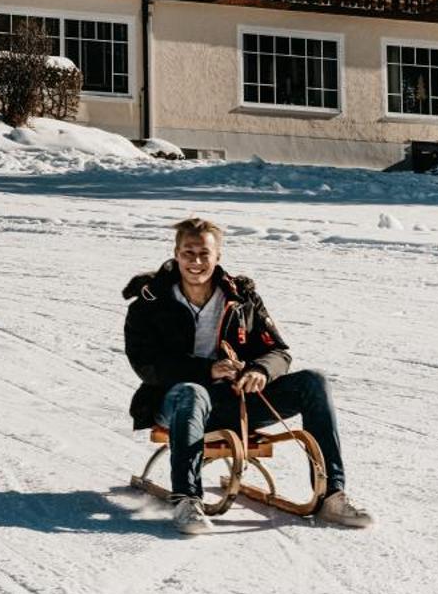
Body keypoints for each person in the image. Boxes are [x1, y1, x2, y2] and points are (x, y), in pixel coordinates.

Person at [123, 216, 373, 535]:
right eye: (188, 253)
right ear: (176, 253)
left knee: (314, 381)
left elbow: (278, 351)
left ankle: (332, 495)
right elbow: (146, 364)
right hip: (176, 402)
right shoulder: (150, 302)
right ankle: (188, 499)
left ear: (218, 257)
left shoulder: (240, 298)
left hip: (237, 401)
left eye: (204, 254)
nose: (196, 262)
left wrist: (260, 370)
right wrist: (205, 370)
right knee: (192, 391)